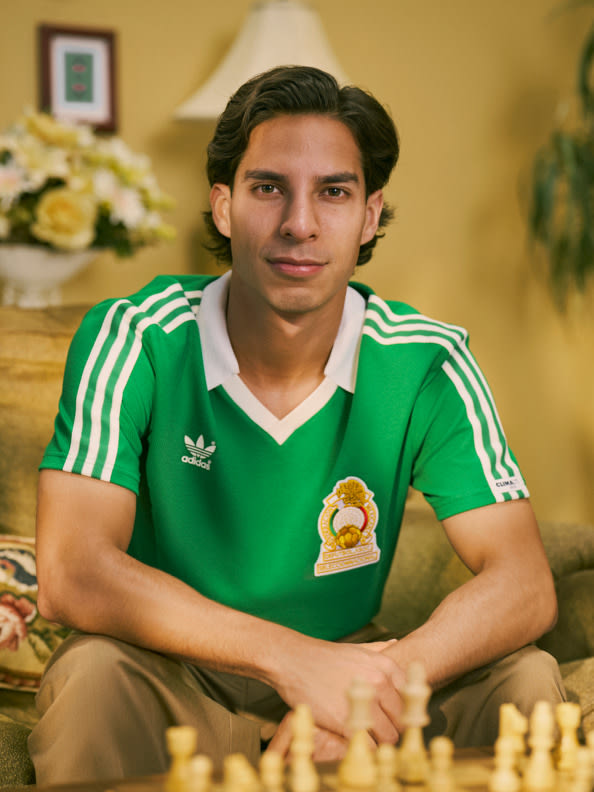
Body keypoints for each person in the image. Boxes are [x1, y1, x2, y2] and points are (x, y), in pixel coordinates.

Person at [29, 66, 564, 784]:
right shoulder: (134, 335)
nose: (300, 224)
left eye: (334, 192)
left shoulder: (429, 359)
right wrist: (290, 660)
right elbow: (72, 572)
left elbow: (523, 581)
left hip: (355, 678)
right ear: (222, 205)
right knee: (91, 675)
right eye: (268, 187)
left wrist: (362, 687)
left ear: (371, 215)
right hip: (174, 679)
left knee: (525, 681)